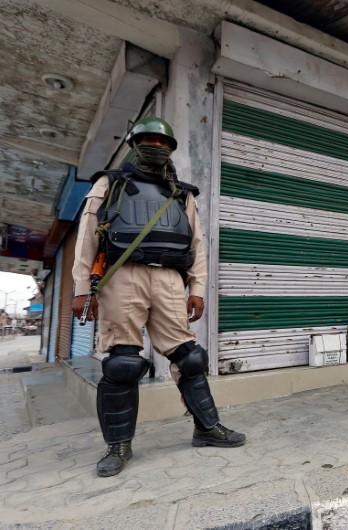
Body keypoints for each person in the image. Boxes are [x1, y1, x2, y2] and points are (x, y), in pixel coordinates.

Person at [71, 116, 245, 477]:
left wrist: (197, 288)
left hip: (168, 278)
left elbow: (197, 244)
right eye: (150, 140)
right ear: (135, 143)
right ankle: (118, 446)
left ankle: (206, 428)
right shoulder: (110, 182)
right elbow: (87, 236)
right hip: (122, 276)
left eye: (164, 142)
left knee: (190, 357)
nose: (158, 146)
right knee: (122, 363)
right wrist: (82, 289)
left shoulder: (182, 193)